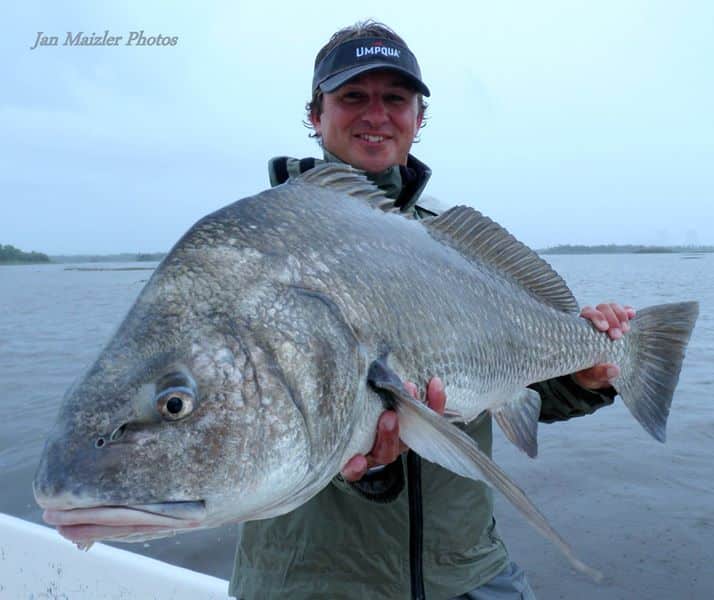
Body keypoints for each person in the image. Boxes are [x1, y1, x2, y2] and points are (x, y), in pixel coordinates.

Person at [229, 20, 635, 600]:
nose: (376, 114)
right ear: (315, 115)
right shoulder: (262, 244)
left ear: (418, 118)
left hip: (468, 570)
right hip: (311, 582)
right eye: (352, 97)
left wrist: (587, 376)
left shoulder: (457, 244)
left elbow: (517, 387)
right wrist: (366, 464)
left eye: (395, 98)